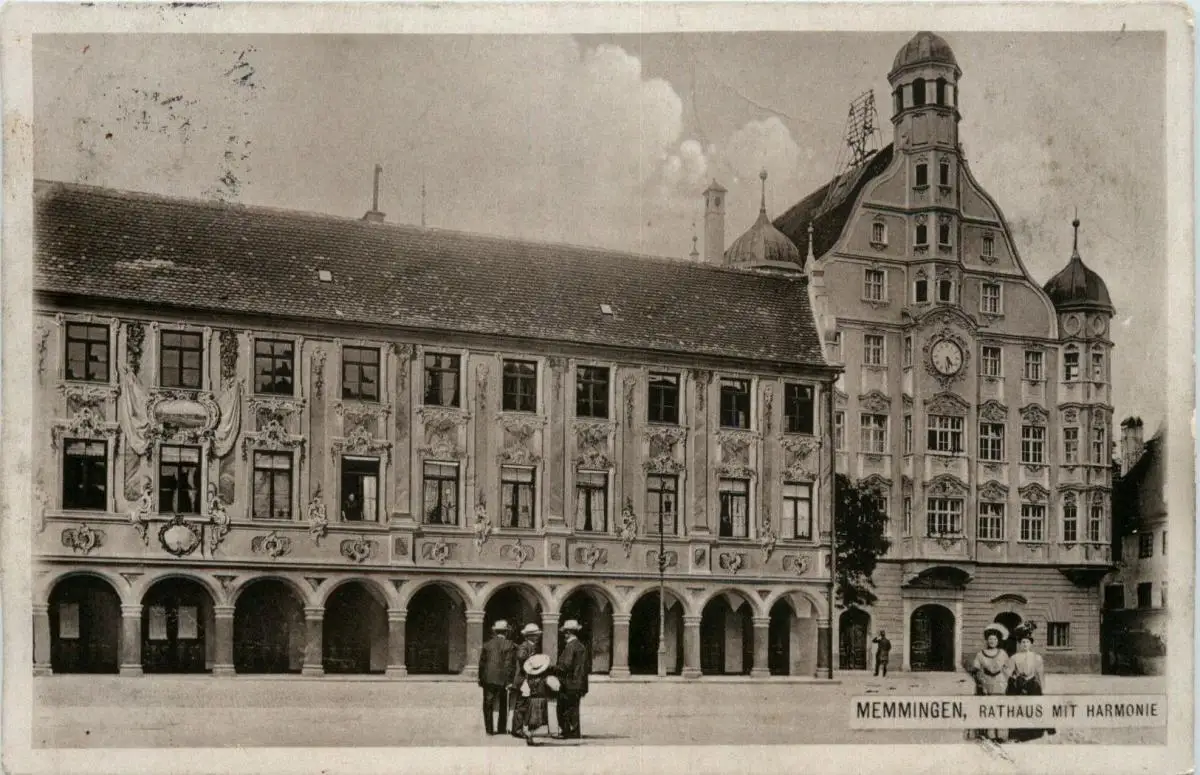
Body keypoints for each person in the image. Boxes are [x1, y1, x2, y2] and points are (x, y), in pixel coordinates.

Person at [1007, 624, 1055, 742]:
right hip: (1020, 685)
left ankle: (1035, 733)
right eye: (1023, 642)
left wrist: (1043, 688)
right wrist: (1015, 677)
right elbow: (1008, 672)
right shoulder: (1014, 657)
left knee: (1036, 707)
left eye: (1027, 642)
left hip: (1033, 684)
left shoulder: (1037, 657)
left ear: (1031, 644)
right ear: (1019, 644)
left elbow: (1040, 674)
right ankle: (1020, 734)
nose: (1025, 644)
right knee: (1020, 709)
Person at [968, 623, 1013, 743]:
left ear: (998, 641)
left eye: (995, 639)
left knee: (1000, 708)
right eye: (990, 639)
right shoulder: (980, 654)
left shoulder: (1003, 653)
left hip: (1000, 683)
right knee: (989, 708)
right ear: (987, 640)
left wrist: (1005, 679)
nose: (992, 641)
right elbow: (976, 669)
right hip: (987, 683)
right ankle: (990, 734)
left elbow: (1009, 667)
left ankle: (1001, 734)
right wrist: (981, 681)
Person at [555, 619, 590, 739]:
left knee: (564, 708)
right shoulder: (580, 646)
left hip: (569, 682)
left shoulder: (570, 646)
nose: (564, 635)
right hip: (578, 682)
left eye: (565, 632)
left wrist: (551, 668)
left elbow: (566, 665)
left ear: (568, 632)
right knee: (573, 708)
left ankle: (567, 732)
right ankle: (574, 732)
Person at [478, 620, 515, 735]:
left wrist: (480, 678)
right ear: (506, 632)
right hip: (502, 678)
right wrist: (509, 680)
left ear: (495, 632)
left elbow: (482, 664)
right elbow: (508, 664)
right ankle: (501, 728)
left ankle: (489, 730)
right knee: (503, 702)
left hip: (488, 677)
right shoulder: (509, 644)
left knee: (488, 703)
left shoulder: (487, 644)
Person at [516, 653, 560, 746]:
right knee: (538, 721)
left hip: (531, 700)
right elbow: (556, 687)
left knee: (532, 720)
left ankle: (530, 735)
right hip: (541, 700)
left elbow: (524, 690)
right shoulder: (546, 678)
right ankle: (530, 735)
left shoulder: (528, 679)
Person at [509, 623, 543, 738]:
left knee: (525, 704)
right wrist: (532, 661)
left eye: (537, 635)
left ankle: (521, 728)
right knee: (521, 705)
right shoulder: (524, 646)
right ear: (529, 636)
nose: (537, 637)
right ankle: (517, 730)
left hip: (528, 679)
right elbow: (521, 657)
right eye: (534, 635)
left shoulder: (532, 646)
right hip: (523, 679)